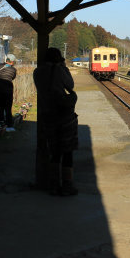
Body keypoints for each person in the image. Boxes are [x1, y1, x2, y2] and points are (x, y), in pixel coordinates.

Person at [33, 47, 79, 196]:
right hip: (64, 116)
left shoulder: (37, 72)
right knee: (67, 151)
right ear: (59, 59)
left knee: (54, 151)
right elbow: (70, 85)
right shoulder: (60, 70)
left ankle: (53, 185)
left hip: (47, 114)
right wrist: (64, 67)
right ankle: (67, 185)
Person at [0, 54, 17, 132]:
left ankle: (0, 124)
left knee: (0, 107)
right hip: (8, 90)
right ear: (12, 62)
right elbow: (12, 77)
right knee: (8, 108)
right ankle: (9, 125)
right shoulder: (13, 70)